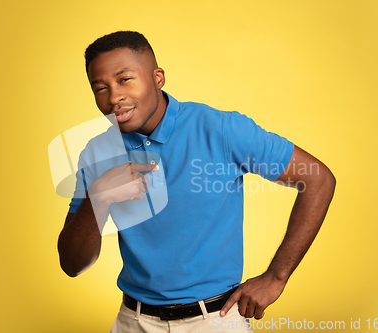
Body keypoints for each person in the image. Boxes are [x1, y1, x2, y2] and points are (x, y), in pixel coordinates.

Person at [57, 31, 336, 332]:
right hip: (133, 321)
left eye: (125, 79)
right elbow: (72, 265)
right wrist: (98, 196)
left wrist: (276, 277)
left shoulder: (220, 129)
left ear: (157, 78)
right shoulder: (97, 152)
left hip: (216, 320)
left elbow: (318, 178)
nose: (113, 98)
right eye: (100, 88)